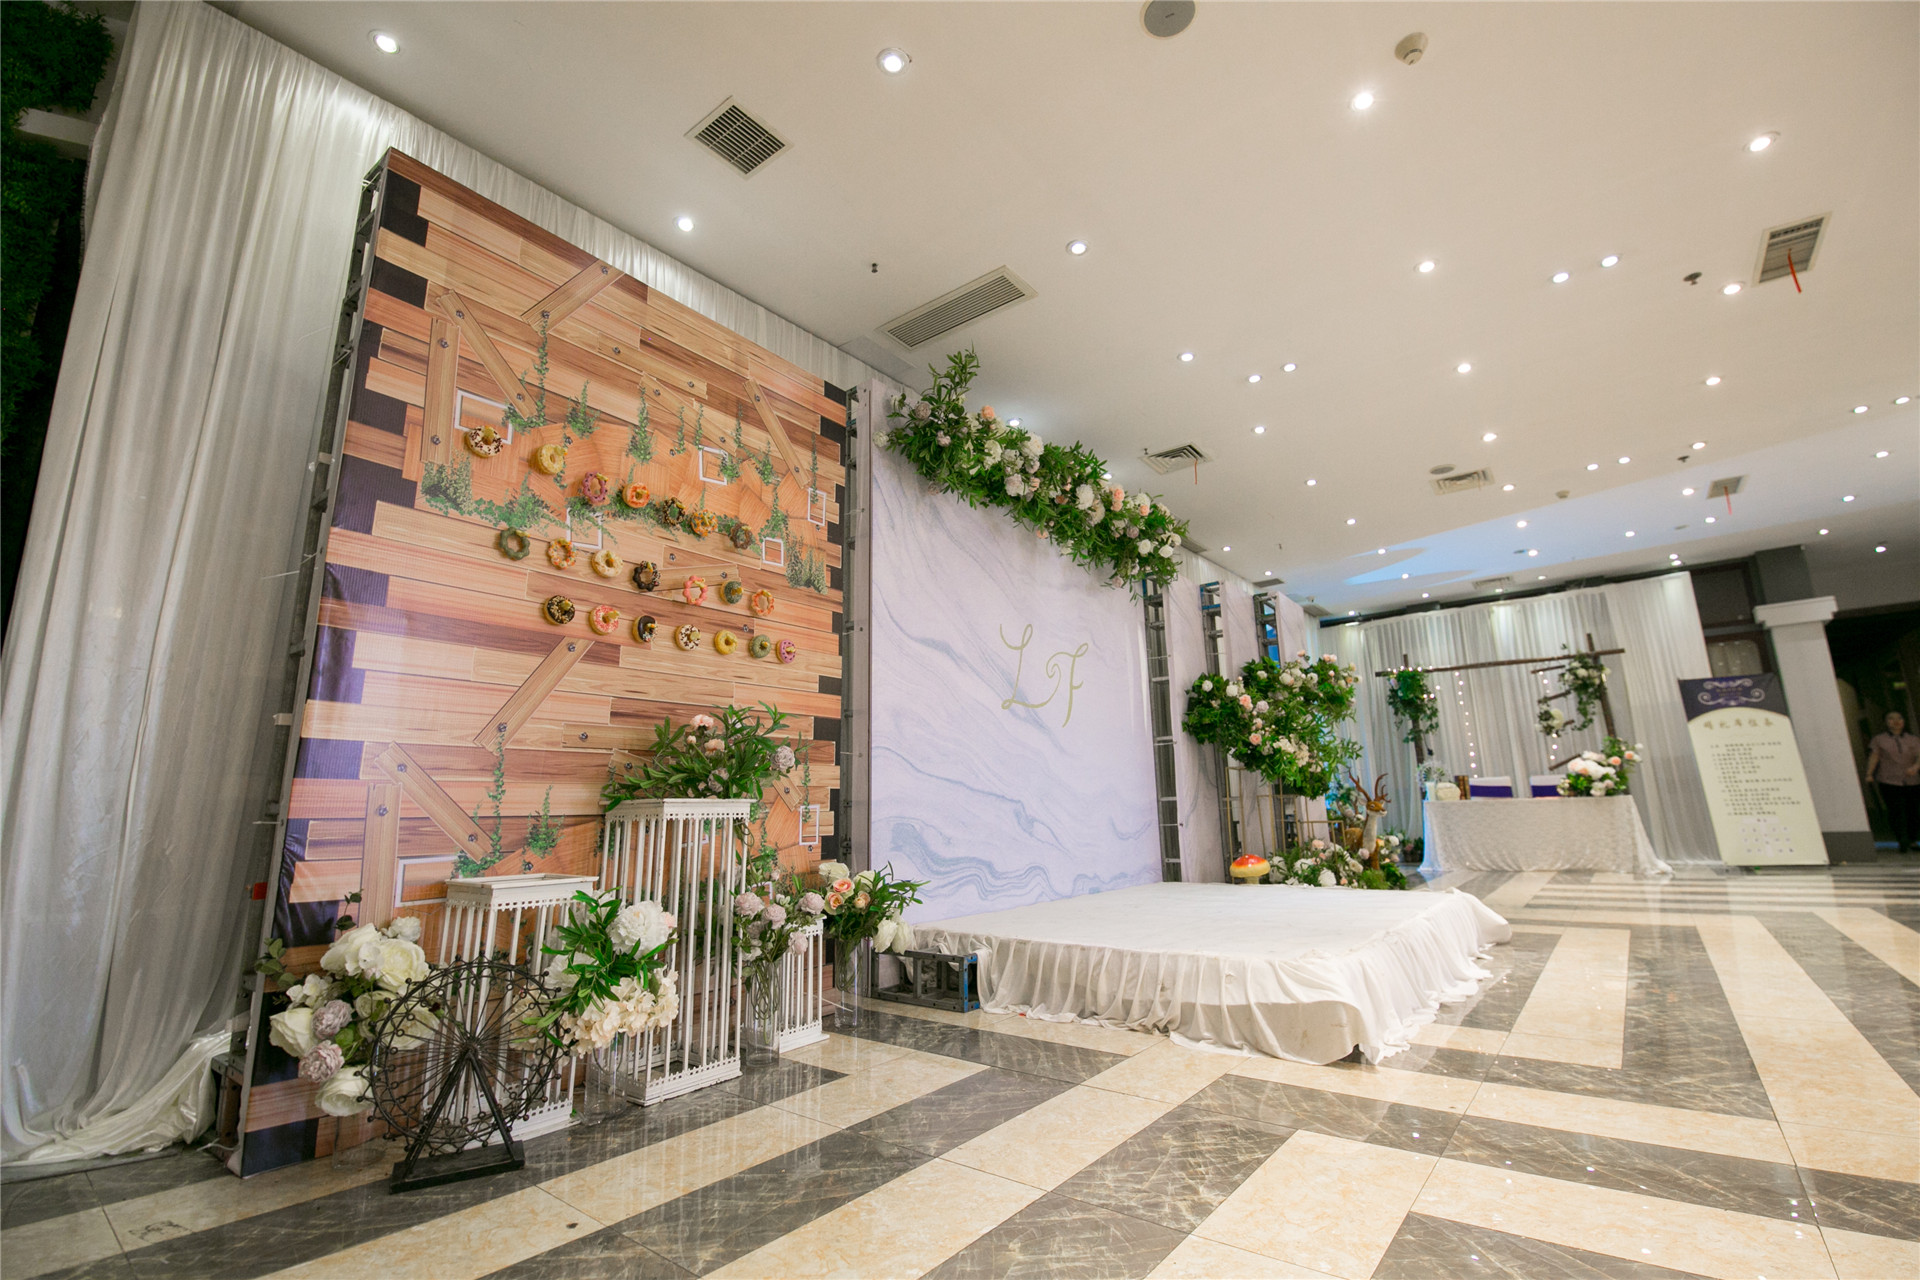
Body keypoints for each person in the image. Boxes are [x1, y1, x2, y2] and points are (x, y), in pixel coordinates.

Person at [1864, 711, 1920, 853]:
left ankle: (1913, 839)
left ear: (1904, 721)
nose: (1896, 721)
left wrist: (1916, 767)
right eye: (1891, 719)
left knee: (1912, 810)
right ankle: (1902, 839)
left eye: (1899, 718)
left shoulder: (1913, 739)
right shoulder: (1879, 740)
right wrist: (1869, 773)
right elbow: (1874, 756)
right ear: (1886, 722)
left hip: (1911, 780)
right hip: (1889, 780)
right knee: (1896, 811)